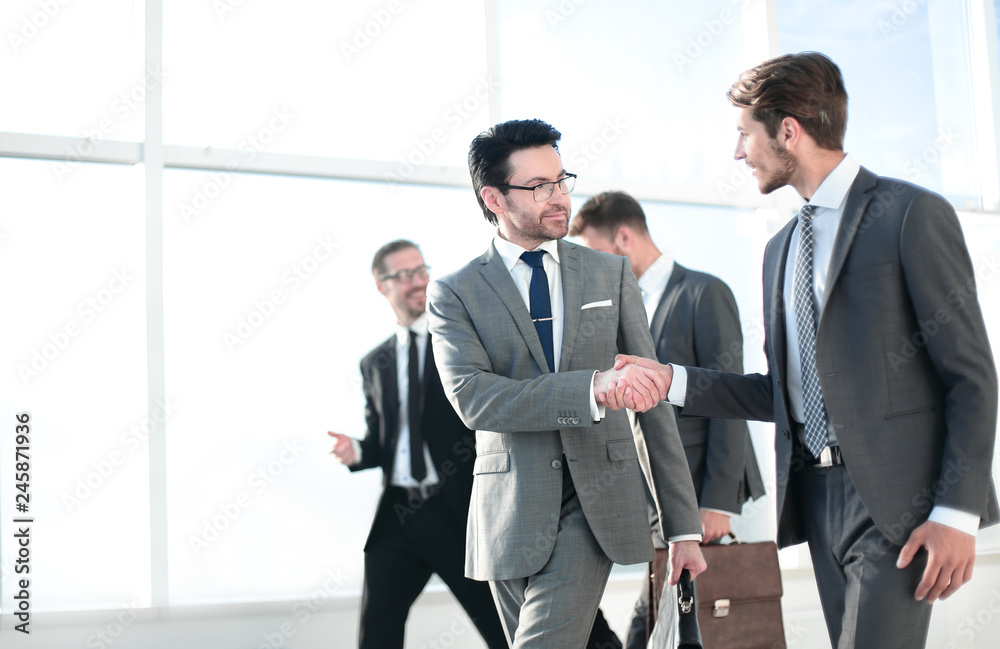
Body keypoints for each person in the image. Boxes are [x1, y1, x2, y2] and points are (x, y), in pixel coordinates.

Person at [613, 52, 999, 649]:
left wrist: (955, 513)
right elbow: (781, 392)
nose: (737, 152)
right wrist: (671, 380)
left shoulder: (910, 215)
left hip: (898, 502)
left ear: (787, 130)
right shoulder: (780, 249)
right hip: (815, 500)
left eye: (744, 134)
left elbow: (971, 377)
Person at [425, 118, 706, 649]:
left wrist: (682, 527)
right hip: (507, 513)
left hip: (595, 501)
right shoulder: (455, 292)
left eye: (561, 180)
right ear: (494, 197)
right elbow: (475, 399)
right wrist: (591, 388)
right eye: (538, 187)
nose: (559, 199)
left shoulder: (609, 274)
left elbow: (652, 402)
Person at [571, 191, 766, 648]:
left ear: (623, 237)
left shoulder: (703, 292)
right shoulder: (619, 306)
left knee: (676, 617)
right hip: (657, 499)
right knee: (670, 615)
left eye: (596, 251)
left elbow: (730, 398)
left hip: (703, 493)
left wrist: (718, 501)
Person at [327, 239, 507, 649]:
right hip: (398, 516)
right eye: (404, 274)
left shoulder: (459, 346)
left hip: (458, 513)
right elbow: (382, 443)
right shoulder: (374, 363)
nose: (417, 282)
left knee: (500, 627)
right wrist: (358, 451)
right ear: (381, 285)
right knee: (377, 633)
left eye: (421, 270)